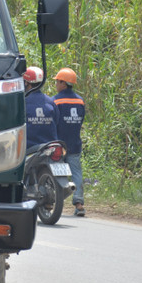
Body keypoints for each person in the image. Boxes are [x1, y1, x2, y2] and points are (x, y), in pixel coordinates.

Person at [52, 67, 86, 216]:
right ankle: (79, 204)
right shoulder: (80, 101)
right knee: (76, 173)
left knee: (58, 173)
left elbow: (53, 122)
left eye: (57, 82)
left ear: (63, 83)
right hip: (75, 144)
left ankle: (53, 201)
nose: (56, 85)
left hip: (59, 146)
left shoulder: (55, 101)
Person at [23, 66, 58, 149]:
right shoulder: (50, 102)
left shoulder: (22, 102)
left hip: (28, 148)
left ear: (26, 83)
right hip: (50, 148)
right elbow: (56, 121)